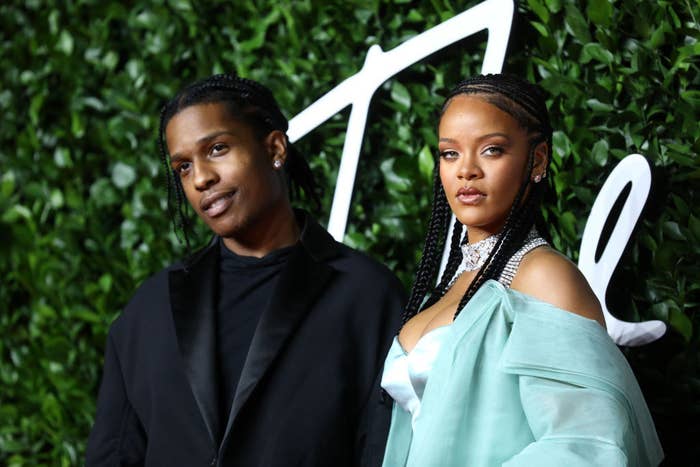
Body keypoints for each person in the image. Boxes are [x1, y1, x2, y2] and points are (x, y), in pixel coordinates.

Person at [86, 73, 405, 466]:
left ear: (274, 148)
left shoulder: (367, 295)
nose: (201, 178)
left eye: (217, 148)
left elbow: (388, 450)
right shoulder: (150, 311)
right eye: (183, 167)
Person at [380, 74, 663, 466]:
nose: (466, 170)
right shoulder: (445, 286)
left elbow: (588, 443)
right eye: (450, 153)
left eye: (491, 150)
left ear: (539, 159)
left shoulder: (544, 277)